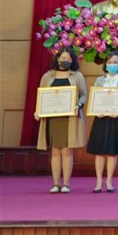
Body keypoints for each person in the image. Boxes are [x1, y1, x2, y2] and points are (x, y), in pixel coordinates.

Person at [35, 47, 87, 194]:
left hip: (70, 118)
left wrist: (78, 105)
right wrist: (38, 110)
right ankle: (56, 184)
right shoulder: (48, 76)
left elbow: (83, 95)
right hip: (52, 118)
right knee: (55, 150)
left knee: (67, 150)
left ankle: (66, 184)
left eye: (68, 59)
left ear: (73, 60)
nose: (65, 61)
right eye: (63, 58)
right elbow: (41, 96)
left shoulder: (77, 76)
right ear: (57, 59)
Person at [86, 51, 118, 193]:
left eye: (115, 62)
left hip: (117, 119)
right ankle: (99, 181)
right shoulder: (100, 80)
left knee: (112, 152)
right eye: (110, 62)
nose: (112, 65)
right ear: (105, 64)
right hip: (101, 119)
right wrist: (96, 110)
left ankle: (109, 181)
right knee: (99, 152)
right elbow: (94, 98)